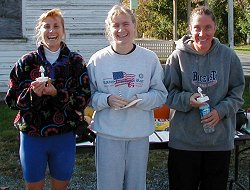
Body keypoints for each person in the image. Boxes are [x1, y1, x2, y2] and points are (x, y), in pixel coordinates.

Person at [5, 8, 91, 190]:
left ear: (63, 30)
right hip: (32, 136)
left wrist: (56, 94)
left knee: (60, 186)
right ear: (40, 30)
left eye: (56, 26)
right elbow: (11, 100)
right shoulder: (26, 62)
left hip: (64, 135)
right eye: (47, 27)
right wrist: (33, 94)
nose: (52, 31)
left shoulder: (75, 61)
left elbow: (84, 98)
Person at [87, 4, 168, 190]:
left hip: (139, 134)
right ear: (109, 29)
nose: (121, 29)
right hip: (108, 135)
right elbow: (89, 97)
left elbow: (161, 94)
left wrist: (140, 99)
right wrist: (107, 100)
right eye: (115, 25)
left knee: (136, 186)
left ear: (134, 25)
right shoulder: (98, 60)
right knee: (108, 186)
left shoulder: (149, 59)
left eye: (126, 24)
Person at [164, 6, 245, 190]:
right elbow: (168, 94)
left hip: (218, 143)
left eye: (207, 27)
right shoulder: (177, 57)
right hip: (184, 143)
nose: (202, 33)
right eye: (197, 28)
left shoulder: (229, 57)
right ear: (190, 29)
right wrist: (187, 100)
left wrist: (220, 111)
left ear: (215, 28)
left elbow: (237, 93)